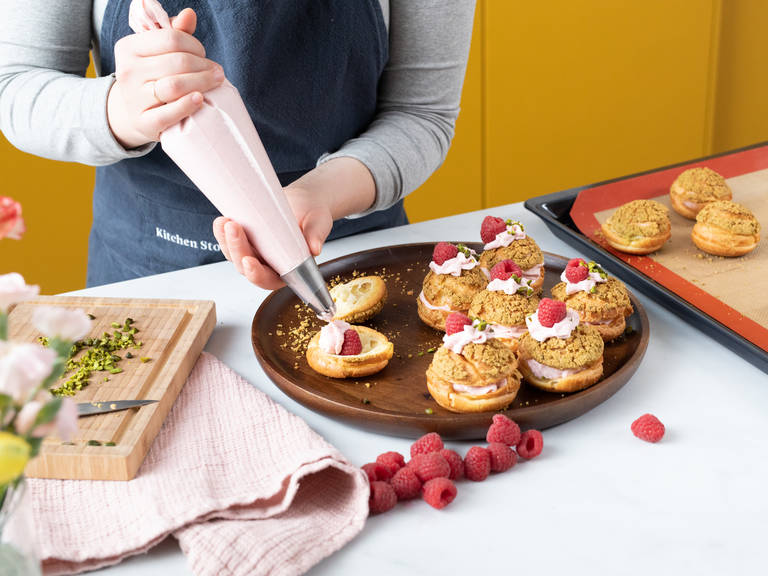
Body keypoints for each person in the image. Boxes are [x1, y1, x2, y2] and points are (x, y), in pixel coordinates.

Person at [0, 1, 476, 289]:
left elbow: (421, 114)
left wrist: (319, 197)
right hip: (150, 275)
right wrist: (123, 109)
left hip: (352, 261)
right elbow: (16, 87)